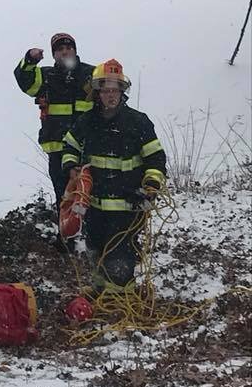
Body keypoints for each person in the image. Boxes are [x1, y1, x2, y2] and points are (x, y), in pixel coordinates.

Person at [60, 59, 167, 288]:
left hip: (128, 207)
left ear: (121, 92)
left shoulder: (138, 122)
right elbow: (69, 146)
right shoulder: (86, 121)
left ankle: (121, 304)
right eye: (106, 90)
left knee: (119, 260)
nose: (110, 95)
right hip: (95, 207)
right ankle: (104, 295)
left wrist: (151, 184)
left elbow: (156, 158)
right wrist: (71, 167)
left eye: (115, 90)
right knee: (97, 250)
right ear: (97, 93)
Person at [14, 32, 95, 215]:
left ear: (75, 50)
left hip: (87, 151)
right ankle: (67, 238)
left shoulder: (91, 74)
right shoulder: (46, 76)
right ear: (54, 55)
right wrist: (30, 60)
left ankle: (90, 239)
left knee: (92, 199)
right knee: (65, 200)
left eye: (69, 48)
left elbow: (111, 95)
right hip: (58, 152)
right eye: (60, 49)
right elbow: (25, 80)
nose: (65, 52)